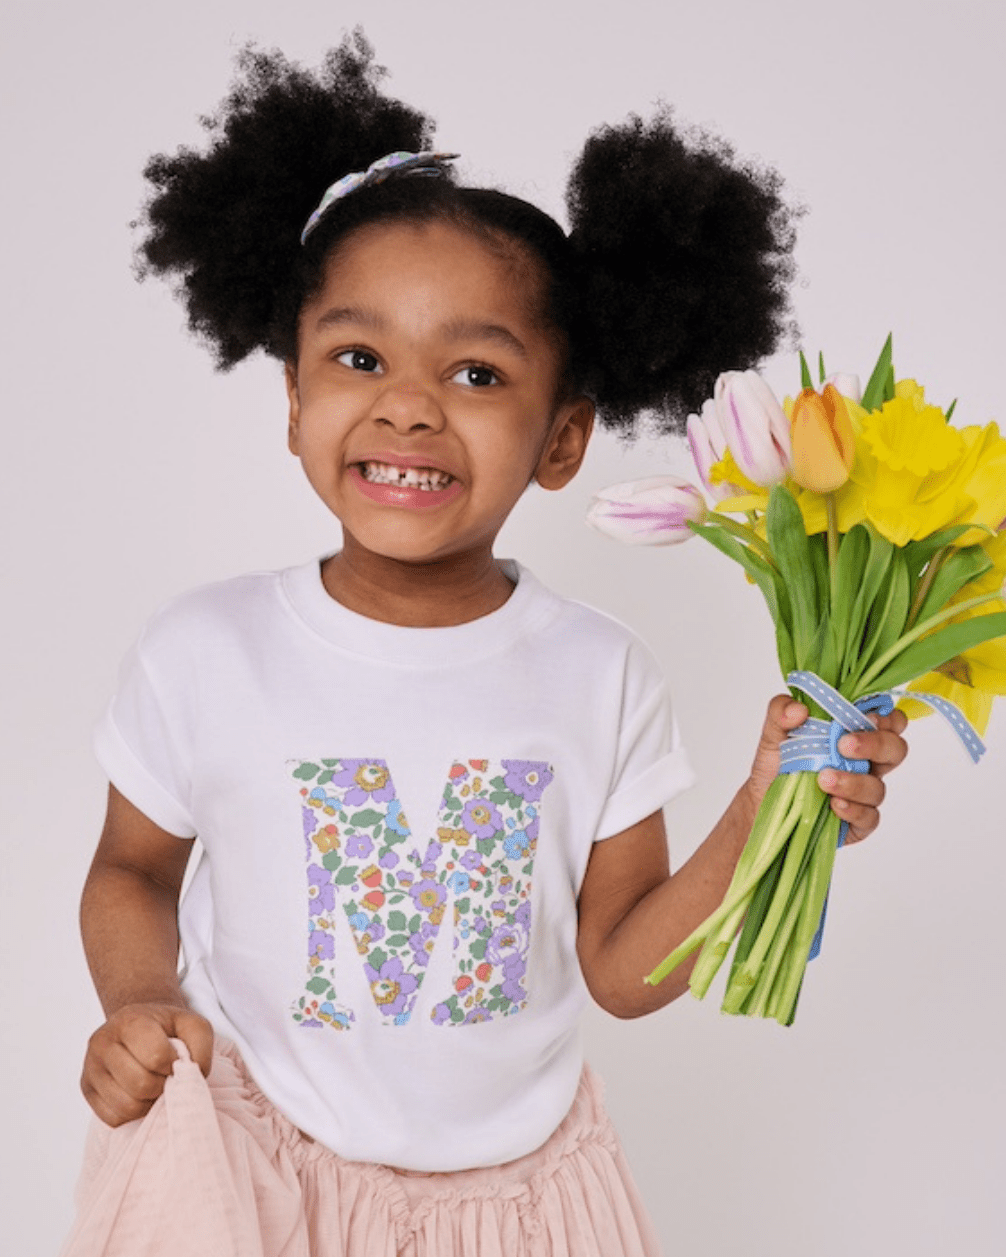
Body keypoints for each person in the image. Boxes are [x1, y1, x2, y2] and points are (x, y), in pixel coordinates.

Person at [66, 33, 909, 1257]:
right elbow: (130, 871)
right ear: (294, 399)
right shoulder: (207, 649)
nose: (407, 404)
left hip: (518, 1206)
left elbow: (622, 973)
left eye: (474, 371)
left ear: (563, 441)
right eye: (359, 359)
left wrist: (769, 805)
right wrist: (137, 1002)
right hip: (257, 1178)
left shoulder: (598, 672)